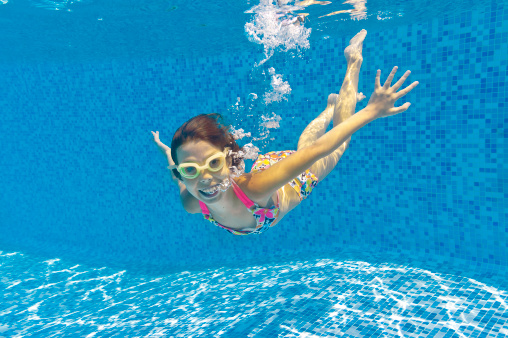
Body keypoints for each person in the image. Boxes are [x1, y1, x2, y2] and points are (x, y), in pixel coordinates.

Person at [151, 30, 419, 235]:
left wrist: (371, 111)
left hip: (290, 181)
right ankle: (329, 107)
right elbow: (178, 175)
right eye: (190, 170)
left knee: (340, 142)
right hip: (269, 164)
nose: (205, 179)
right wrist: (167, 153)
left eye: (212, 163)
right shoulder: (192, 201)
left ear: (228, 159)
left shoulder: (255, 189)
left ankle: (353, 61)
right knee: (302, 147)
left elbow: (319, 149)